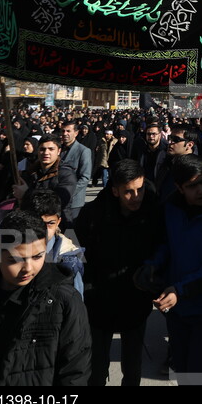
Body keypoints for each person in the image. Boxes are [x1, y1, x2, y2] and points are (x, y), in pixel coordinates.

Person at [0, 210, 91, 386]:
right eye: (16, 259)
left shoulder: (63, 300)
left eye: (37, 256)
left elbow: (75, 369)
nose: (28, 268)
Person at [75, 158, 163, 386]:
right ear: (114, 190)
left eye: (140, 189)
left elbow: (162, 246)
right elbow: (78, 252)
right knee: (96, 365)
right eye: (128, 192)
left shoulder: (153, 210)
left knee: (132, 365)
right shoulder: (92, 214)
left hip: (135, 298)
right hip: (99, 299)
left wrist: (151, 271)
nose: (136, 197)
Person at [150, 155, 202, 383]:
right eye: (192, 186)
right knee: (182, 370)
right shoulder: (170, 208)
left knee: (201, 372)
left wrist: (180, 290)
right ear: (179, 188)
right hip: (176, 310)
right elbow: (166, 245)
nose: (201, 190)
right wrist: (152, 266)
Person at [59, 121, 91, 222]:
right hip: (56, 200)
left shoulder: (83, 151)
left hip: (73, 202)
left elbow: (85, 177)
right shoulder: (58, 149)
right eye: (63, 131)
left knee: (71, 233)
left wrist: (68, 192)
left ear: (76, 133)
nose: (65, 134)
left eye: (68, 131)